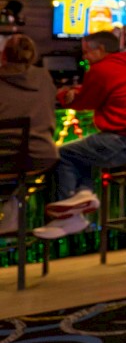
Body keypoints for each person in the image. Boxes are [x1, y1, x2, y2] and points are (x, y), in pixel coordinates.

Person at [34, 30, 126, 239]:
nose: (84, 58)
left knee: (62, 154)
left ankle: (67, 218)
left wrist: (64, 94)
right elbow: (100, 90)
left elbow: (85, 102)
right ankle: (83, 196)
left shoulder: (101, 69)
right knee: (85, 152)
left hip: (121, 143)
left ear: (100, 50)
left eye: (86, 52)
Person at [0, 35, 58, 235]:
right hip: (42, 157)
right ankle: (10, 203)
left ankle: (9, 205)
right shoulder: (44, 77)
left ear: (3, 56)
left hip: (5, 160)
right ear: (33, 56)